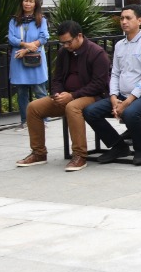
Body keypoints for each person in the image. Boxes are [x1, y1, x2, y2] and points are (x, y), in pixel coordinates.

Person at [16, 20, 111, 171]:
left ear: (79, 36)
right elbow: (57, 78)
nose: (66, 46)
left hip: (94, 96)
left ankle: (79, 155)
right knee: (33, 107)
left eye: (68, 42)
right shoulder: (63, 53)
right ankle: (39, 153)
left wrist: (72, 95)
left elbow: (99, 84)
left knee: (72, 108)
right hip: (66, 95)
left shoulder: (97, 53)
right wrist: (57, 93)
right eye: (62, 43)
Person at [83, 4, 141, 165]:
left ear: (139, 20)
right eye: (122, 18)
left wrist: (127, 102)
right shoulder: (119, 45)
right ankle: (118, 146)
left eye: (128, 18)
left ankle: (140, 150)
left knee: (130, 113)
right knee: (90, 111)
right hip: (121, 95)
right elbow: (115, 73)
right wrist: (113, 97)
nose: (124, 21)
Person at [7, 0, 50, 131]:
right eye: (26, 0)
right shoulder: (14, 20)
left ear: (35, 4)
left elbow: (44, 37)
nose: (28, 3)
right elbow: (11, 38)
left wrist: (28, 49)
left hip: (36, 59)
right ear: (22, 2)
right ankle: (25, 120)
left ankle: (44, 119)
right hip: (19, 60)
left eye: (31, 1)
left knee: (40, 91)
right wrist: (25, 45)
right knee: (21, 92)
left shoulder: (41, 20)